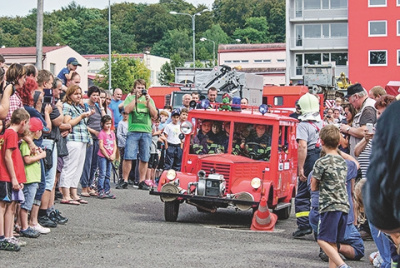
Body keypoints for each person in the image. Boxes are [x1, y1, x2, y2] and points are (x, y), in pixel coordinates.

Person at [308, 149, 364, 263]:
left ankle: (327, 244)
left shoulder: (313, 172)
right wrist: (339, 152)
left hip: (315, 217)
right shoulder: (343, 168)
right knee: (359, 249)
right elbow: (356, 163)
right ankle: (334, 249)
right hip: (336, 213)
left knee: (326, 234)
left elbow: (311, 190)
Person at [311, 125, 351, 268]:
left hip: (329, 206)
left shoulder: (321, 162)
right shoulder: (343, 161)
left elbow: (313, 186)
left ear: (321, 141)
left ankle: (342, 265)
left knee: (322, 240)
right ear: (339, 142)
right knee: (333, 243)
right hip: (344, 206)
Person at [293, 93, 323, 238]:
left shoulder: (303, 126)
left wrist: (300, 168)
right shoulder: (322, 124)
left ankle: (304, 225)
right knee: (319, 194)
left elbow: (302, 147)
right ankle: (319, 227)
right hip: (322, 157)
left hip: (310, 158)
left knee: (303, 194)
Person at [118, 79, 157, 190]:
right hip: (133, 130)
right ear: (134, 88)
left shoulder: (150, 99)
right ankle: (124, 180)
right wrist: (135, 99)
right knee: (128, 156)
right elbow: (127, 110)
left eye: (142, 87)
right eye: (138, 87)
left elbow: (154, 115)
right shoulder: (130, 98)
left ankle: (141, 181)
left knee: (144, 157)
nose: (140, 89)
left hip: (146, 132)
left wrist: (148, 103)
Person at [0, 108, 30, 251]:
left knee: (11, 207)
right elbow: (7, 156)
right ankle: (2, 237)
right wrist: (13, 178)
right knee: (3, 206)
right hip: (5, 175)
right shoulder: (11, 133)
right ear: (23, 122)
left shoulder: (9, 133)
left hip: (10, 176)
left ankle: (8, 234)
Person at [60, 85, 94, 205]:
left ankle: (74, 193)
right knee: (70, 166)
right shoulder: (67, 107)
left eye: (80, 93)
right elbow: (67, 123)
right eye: (76, 94)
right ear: (69, 95)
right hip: (73, 139)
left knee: (78, 168)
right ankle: (66, 194)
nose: (79, 96)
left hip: (82, 140)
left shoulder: (78, 107)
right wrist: (81, 116)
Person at [18, 117, 47, 239]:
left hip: (34, 178)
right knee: (26, 205)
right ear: (37, 132)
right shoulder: (25, 145)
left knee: (26, 204)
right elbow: (27, 160)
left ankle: (21, 225)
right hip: (29, 179)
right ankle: (24, 227)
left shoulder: (32, 144)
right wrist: (41, 156)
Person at [80, 86, 105, 197]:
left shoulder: (98, 107)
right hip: (89, 137)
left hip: (98, 138)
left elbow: (105, 120)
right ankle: (84, 186)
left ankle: (90, 185)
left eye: (97, 95)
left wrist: (101, 106)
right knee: (88, 163)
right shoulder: (85, 106)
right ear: (89, 95)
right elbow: (83, 123)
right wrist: (94, 131)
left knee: (94, 164)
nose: (95, 97)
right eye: (94, 95)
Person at [339, 83, 376, 157]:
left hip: (364, 158)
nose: (349, 102)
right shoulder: (366, 106)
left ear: (356, 96)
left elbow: (365, 131)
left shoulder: (368, 108)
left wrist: (347, 129)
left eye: (349, 99)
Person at [97, 115, 117, 199]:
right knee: (102, 173)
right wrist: (107, 155)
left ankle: (107, 190)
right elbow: (101, 147)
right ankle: (100, 190)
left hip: (110, 156)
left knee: (108, 174)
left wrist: (113, 155)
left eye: (109, 123)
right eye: (106, 124)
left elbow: (115, 145)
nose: (108, 125)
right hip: (103, 156)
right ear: (102, 124)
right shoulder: (101, 133)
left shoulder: (112, 133)